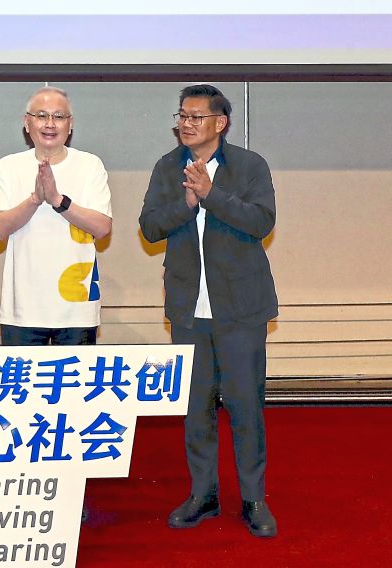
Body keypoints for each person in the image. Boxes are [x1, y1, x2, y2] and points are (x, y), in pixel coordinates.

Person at [138, 83, 279, 539]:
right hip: (187, 308)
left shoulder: (249, 166)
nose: (185, 123)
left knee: (244, 406)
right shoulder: (167, 167)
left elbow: (262, 221)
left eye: (196, 116)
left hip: (240, 307)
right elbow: (150, 227)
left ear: (220, 123)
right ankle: (204, 494)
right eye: (181, 115)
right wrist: (187, 202)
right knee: (195, 407)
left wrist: (212, 194)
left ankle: (254, 499)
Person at [0, 86, 112, 346]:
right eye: (41, 116)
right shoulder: (9, 166)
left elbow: (102, 227)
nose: (50, 124)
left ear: (70, 125)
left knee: (75, 386)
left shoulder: (90, 165)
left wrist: (57, 200)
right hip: (22, 310)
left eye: (59, 116)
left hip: (76, 309)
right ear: (27, 122)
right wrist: (35, 199)